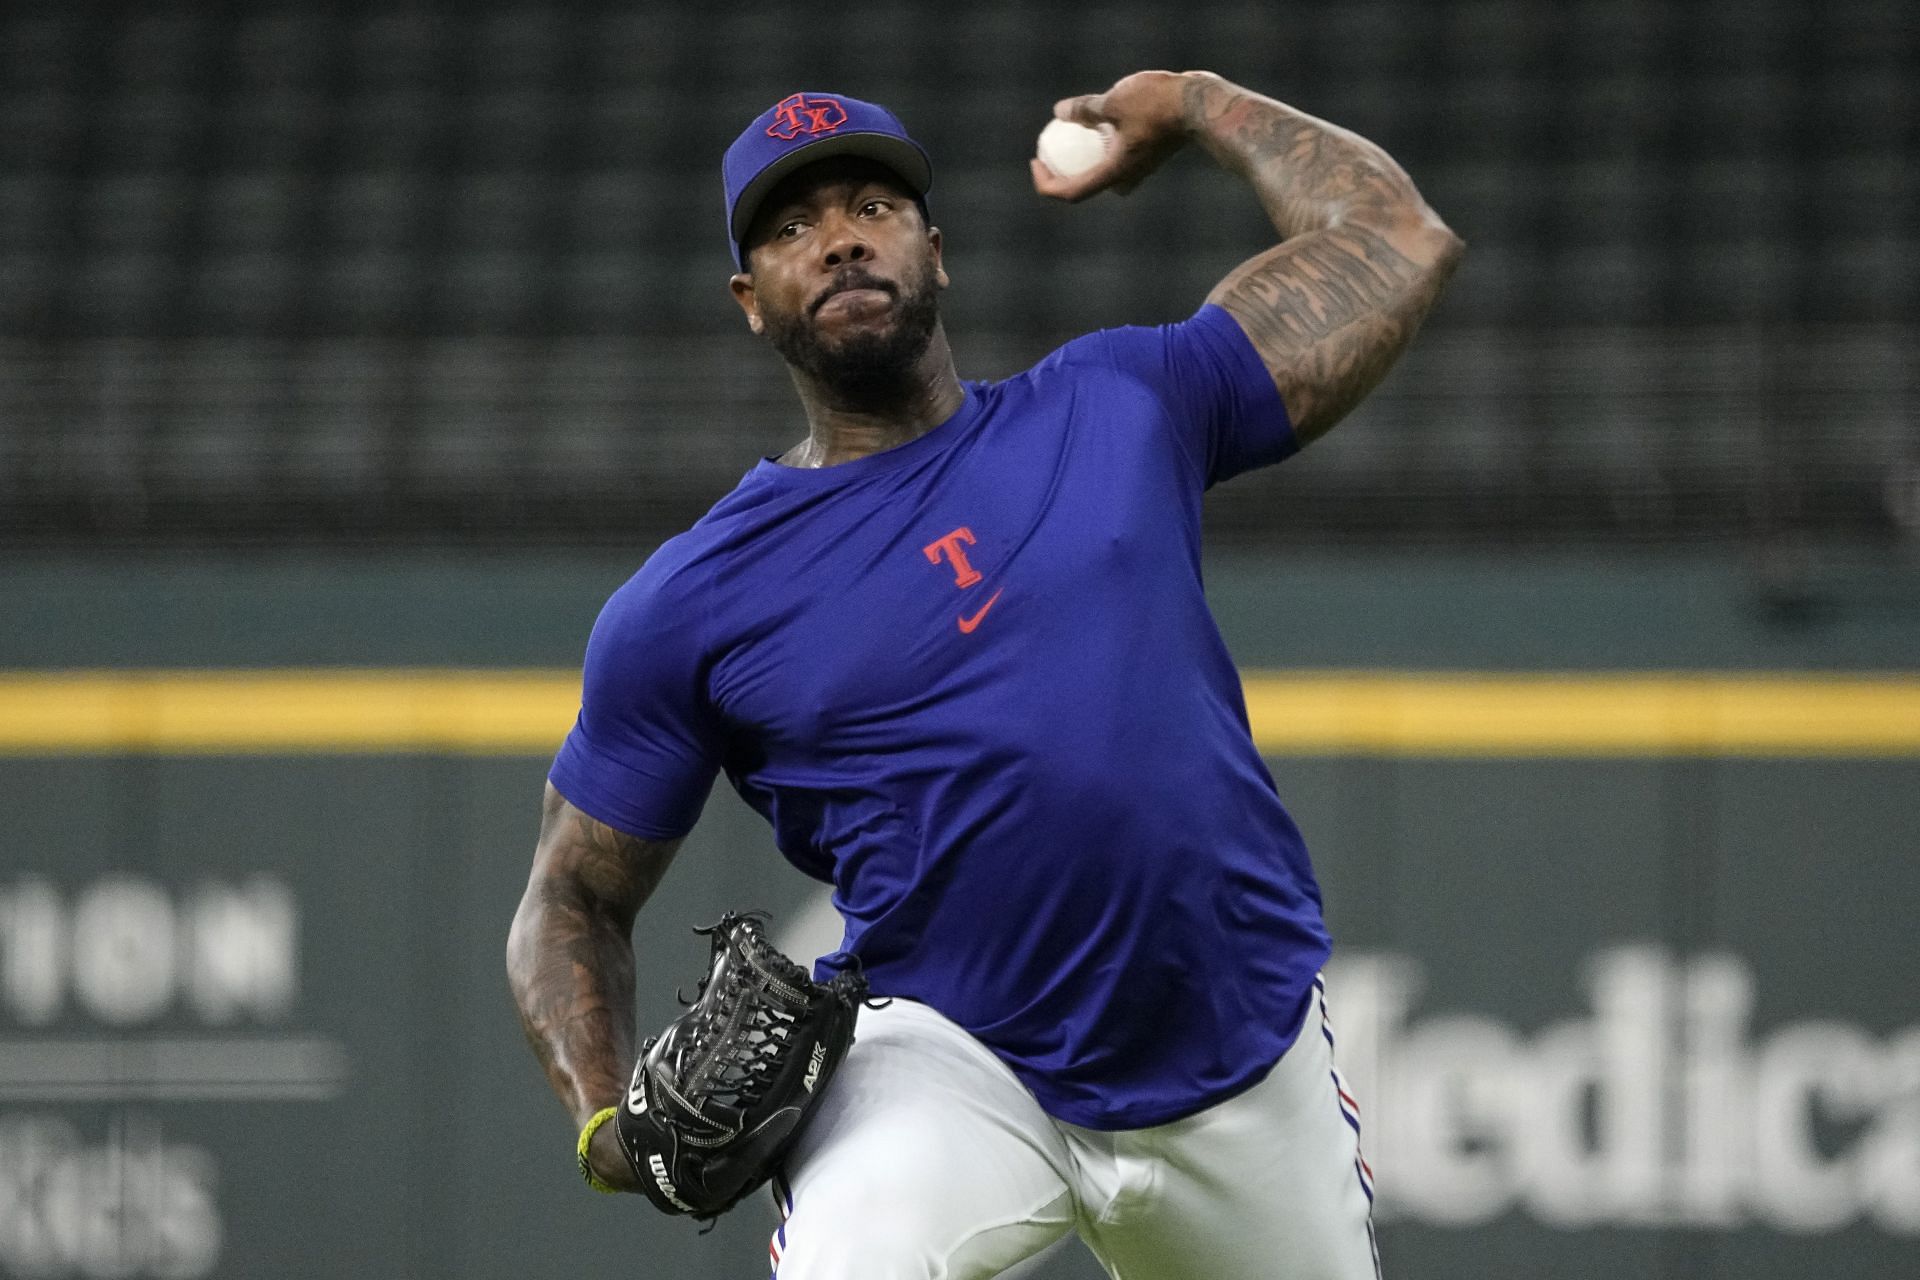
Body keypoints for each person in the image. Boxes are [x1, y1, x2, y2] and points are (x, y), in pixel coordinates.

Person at [508, 71, 1462, 1279]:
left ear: (936, 250)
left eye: (870, 204)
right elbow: (571, 898)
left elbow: (1398, 242)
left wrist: (1201, 105)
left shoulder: (1121, 401)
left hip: (1238, 1044)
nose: (840, 236)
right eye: (793, 226)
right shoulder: (690, 600)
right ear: (751, 300)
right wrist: (605, 1122)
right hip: (948, 1058)